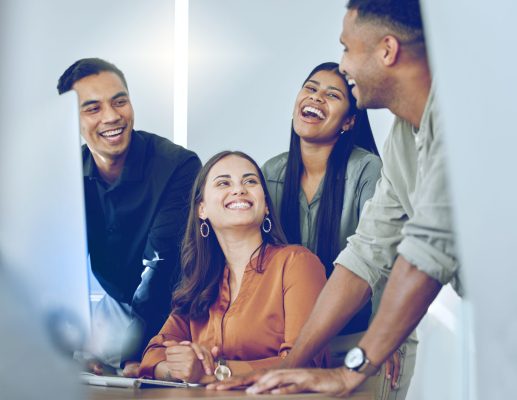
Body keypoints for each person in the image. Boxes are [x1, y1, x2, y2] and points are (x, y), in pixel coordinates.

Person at [210, 0, 458, 397]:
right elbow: (364, 256)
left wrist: (359, 363)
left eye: (346, 48)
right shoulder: (402, 139)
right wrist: (288, 369)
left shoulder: (457, 116)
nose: (343, 65)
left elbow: (424, 255)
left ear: (387, 51)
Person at [57, 58, 202, 377]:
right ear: (71, 119)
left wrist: (133, 352)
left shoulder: (178, 165)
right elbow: (55, 271)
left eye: (119, 101)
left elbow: (160, 270)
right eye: (92, 108)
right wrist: (75, 345)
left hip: (180, 311)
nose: (111, 116)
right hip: (117, 306)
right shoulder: (62, 176)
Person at [138, 151, 327, 384]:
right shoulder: (200, 284)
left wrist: (214, 371)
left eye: (250, 181)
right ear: (202, 209)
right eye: (223, 183)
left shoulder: (298, 263)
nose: (239, 189)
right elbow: (152, 355)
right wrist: (177, 368)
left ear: (266, 205)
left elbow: (304, 363)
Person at [262, 60, 382, 365]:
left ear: (349, 122)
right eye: (311, 89)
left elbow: (383, 257)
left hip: (357, 340)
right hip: (290, 342)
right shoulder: (271, 172)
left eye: (332, 95)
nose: (316, 97)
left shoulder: (367, 170)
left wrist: (382, 335)